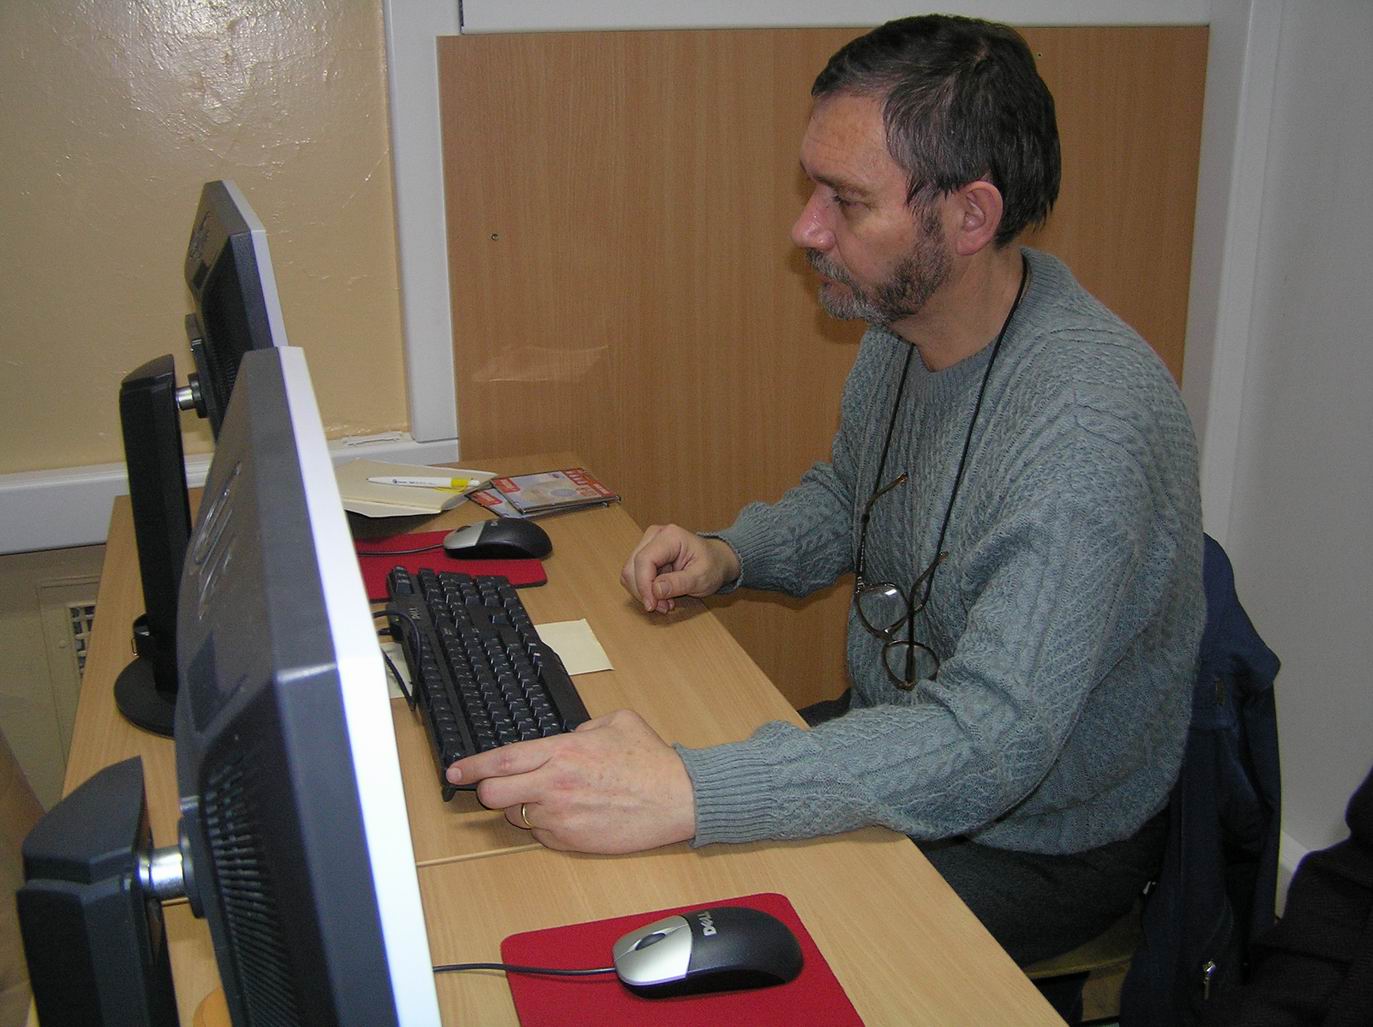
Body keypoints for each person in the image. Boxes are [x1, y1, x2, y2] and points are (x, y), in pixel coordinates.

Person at [448, 13, 1204, 972]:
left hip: (1032, 839)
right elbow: (853, 496)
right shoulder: (905, 326)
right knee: (594, 837)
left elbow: (991, 742)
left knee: (661, 916)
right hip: (897, 741)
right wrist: (733, 553)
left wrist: (691, 791)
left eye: (845, 200)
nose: (804, 228)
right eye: (813, 188)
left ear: (970, 217)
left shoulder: (1085, 426)